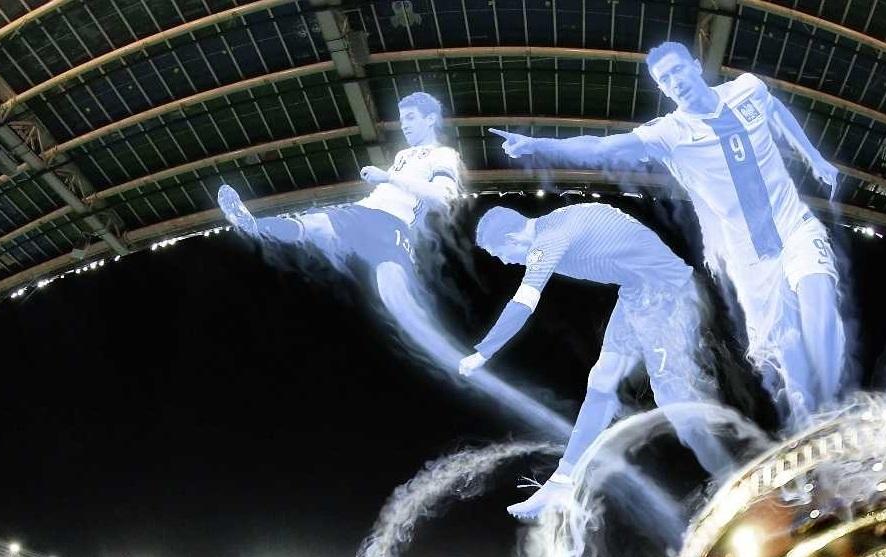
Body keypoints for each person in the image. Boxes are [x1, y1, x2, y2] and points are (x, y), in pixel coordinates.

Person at [492, 40, 844, 419]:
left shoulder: (747, 88)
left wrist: (815, 158)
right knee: (786, 346)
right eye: (665, 80)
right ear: (662, 89)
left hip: (794, 226)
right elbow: (601, 147)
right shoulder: (669, 133)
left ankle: (831, 406)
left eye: (677, 71)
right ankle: (810, 417)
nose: (674, 82)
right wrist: (538, 144)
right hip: (749, 258)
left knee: (818, 299)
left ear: (695, 65)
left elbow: (775, 110)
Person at [460, 203, 733, 518]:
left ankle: (731, 477)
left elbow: (523, 303)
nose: (505, 262)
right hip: (637, 293)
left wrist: (483, 352)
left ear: (512, 238)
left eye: (499, 254)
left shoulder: (548, 240)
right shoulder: (556, 224)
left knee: (676, 402)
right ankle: (562, 481)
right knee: (602, 382)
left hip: (669, 294)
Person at [218, 92, 460, 294]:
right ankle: (256, 227)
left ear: (430, 119)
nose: (404, 125)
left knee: (394, 291)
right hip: (365, 211)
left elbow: (443, 196)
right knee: (315, 223)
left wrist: (388, 177)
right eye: (402, 119)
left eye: (410, 118)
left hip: (394, 224)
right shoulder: (403, 155)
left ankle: (427, 330)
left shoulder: (444, 155)